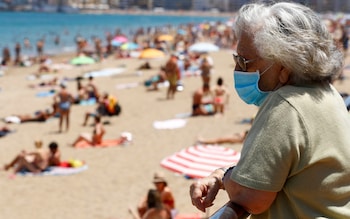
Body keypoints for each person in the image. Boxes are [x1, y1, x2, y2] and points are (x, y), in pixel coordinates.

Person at [189, 2, 350, 219]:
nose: (237, 69)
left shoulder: (286, 105)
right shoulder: (328, 93)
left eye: (243, 61)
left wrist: (223, 176)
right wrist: (221, 177)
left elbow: (251, 196)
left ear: (283, 66)